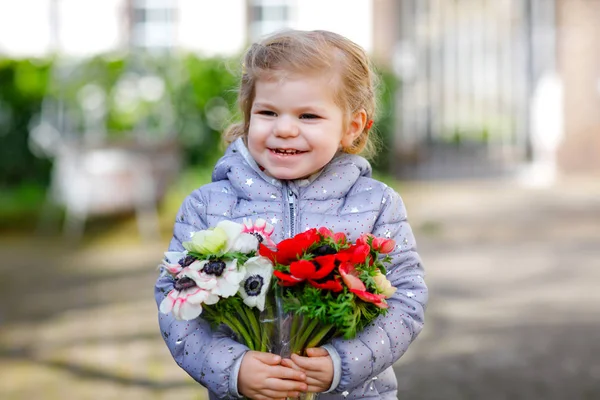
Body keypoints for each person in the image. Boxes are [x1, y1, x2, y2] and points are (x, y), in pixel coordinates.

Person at [155, 29, 428, 400]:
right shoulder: (207, 207)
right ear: (249, 116)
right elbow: (175, 303)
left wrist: (341, 363)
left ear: (353, 126)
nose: (284, 129)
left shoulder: (377, 205)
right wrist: (233, 369)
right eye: (268, 112)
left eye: (308, 115)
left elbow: (405, 301)